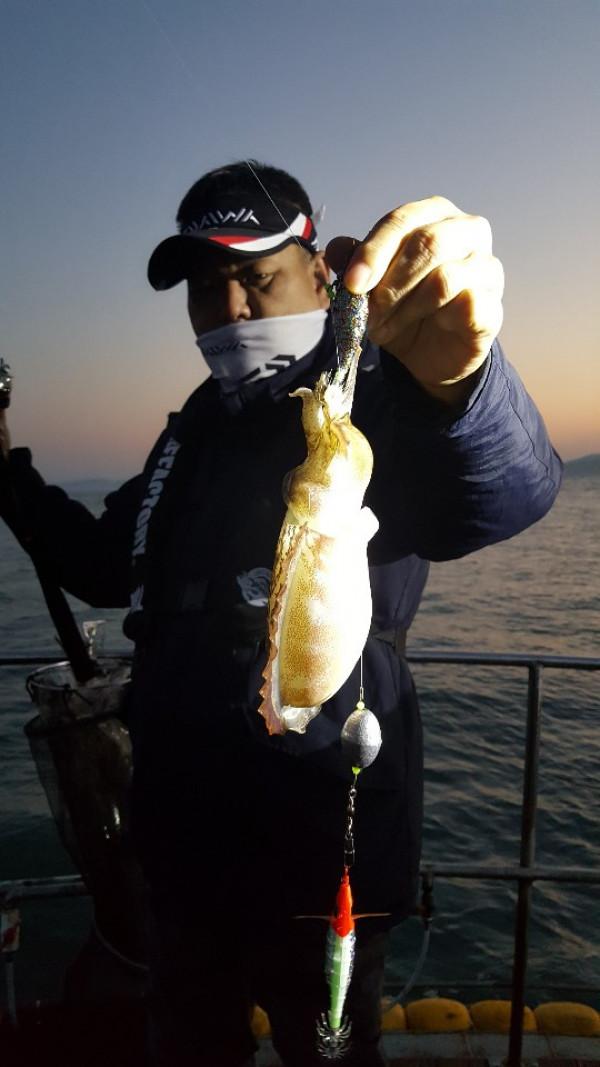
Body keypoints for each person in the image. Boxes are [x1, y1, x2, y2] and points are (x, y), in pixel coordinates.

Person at [0, 160, 562, 1066]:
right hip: (182, 842)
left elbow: (503, 491)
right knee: (188, 1044)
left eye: (256, 277)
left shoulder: (370, 395)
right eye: (205, 288)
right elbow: (108, 562)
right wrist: (8, 474)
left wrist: (465, 384)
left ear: (318, 271)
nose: (230, 310)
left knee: (329, 1047)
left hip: (322, 840)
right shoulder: (192, 431)